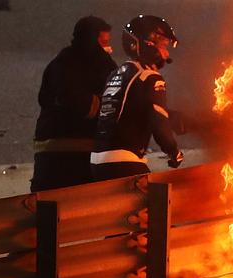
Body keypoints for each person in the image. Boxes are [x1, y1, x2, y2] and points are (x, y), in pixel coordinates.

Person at [91, 14, 184, 181]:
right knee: (159, 201)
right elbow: (158, 121)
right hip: (125, 160)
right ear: (148, 44)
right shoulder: (149, 76)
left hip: (97, 161)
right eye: (163, 45)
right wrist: (173, 151)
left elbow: (134, 109)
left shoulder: (117, 74)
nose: (166, 52)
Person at [30, 16, 117, 191]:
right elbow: (79, 103)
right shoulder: (77, 67)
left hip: (51, 156)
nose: (108, 49)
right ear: (91, 41)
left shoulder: (58, 64)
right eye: (104, 42)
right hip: (74, 158)